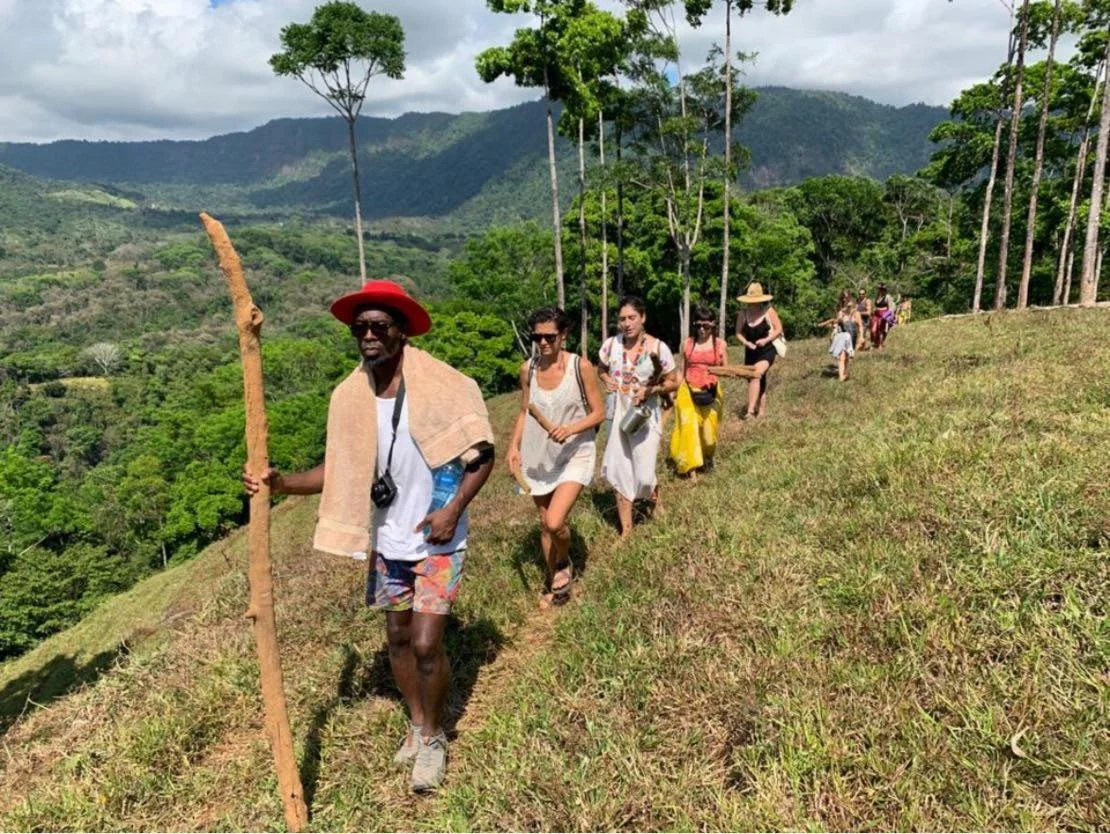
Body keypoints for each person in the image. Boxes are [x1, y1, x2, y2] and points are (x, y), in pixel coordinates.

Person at [242, 280, 495, 794]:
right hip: (387, 539)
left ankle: (434, 738)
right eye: (360, 328)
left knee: (426, 643)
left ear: (402, 331)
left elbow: (482, 454)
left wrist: (452, 511)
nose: (368, 336)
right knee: (397, 639)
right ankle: (417, 723)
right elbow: (339, 469)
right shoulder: (349, 398)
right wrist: (281, 483)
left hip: (438, 536)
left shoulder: (443, 385)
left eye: (379, 326)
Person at [507, 307, 605, 608]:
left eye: (549, 336)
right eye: (537, 337)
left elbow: (599, 413)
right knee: (544, 522)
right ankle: (555, 585)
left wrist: (570, 429)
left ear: (564, 335)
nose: (542, 342)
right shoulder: (528, 370)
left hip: (576, 450)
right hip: (538, 453)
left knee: (554, 521)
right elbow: (524, 411)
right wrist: (513, 447)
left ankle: (563, 559)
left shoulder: (580, 367)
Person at [598, 295, 680, 538]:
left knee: (644, 474)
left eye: (632, 317)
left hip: (645, 415)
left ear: (642, 318)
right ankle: (626, 529)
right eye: (622, 319)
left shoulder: (658, 348)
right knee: (619, 468)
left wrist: (650, 390)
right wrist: (606, 379)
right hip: (617, 412)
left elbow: (674, 382)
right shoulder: (611, 345)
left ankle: (653, 496)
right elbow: (601, 369)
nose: (627, 323)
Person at [669, 303, 727, 478]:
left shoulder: (720, 345)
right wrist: (675, 390)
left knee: (709, 434)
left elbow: (725, 369)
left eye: (706, 325)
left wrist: (715, 372)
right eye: (698, 325)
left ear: (713, 324)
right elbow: (682, 368)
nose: (702, 329)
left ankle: (707, 457)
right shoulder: (687, 344)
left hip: (711, 390)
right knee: (689, 426)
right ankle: (690, 468)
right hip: (688, 388)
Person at [735, 282, 784, 420]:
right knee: (757, 379)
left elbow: (779, 329)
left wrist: (766, 340)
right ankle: (761, 411)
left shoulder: (769, 311)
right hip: (751, 351)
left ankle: (750, 412)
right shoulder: (743, 314)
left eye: (755, 301)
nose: (752, 304)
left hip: (767, 349)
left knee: (756, 374)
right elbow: (738, 333)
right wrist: (746, 343)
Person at [821, 290, 862, 382]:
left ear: (850, 298)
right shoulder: (840, 312)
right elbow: (838, 323)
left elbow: (860, 325)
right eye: (843, 297)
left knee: (846, 356)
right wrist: (833, 324)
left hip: (852, 336)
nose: (845, 299)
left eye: (847, 297)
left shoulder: (855, 312)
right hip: (842, 336)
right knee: (841, 356)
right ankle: (841, 377)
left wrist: (861, 337)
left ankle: (844, 372)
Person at [870, 283, 896, 349]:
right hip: (876, 315)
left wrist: (890, 316)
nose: (880, 290)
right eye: (879, 289)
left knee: (881, 330)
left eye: (882, 289)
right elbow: (875, 306)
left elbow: (890, 308)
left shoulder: (887, 297)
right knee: (873, 330)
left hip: (884, 315)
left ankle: (880, 344)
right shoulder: (877, 296)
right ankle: (875, 342)